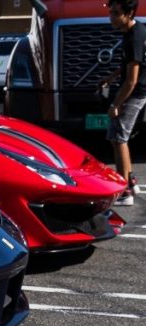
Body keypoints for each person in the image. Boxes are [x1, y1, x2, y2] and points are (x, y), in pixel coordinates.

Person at [101, 0, 146, 205]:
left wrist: (115, 105)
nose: (111, 17)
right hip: (133, 91)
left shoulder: (134, 37)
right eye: (110, 12)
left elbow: (132, 79)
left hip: (134, 93)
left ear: (129, 13)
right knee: (115, 136)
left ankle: (125, 191)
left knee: (119, 138)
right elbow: (129, 64)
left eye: (116, 13)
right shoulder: (134, 31)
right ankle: (130, 180)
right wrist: (112, 76)